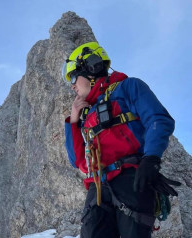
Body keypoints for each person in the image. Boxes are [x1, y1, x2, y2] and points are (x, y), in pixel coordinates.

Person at [62, 42, 181, 238]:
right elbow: (79, 162)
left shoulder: (128, 87)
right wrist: (74, 119)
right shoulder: (86, 116)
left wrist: (151, 159)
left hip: (131, 180)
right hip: (98, 189)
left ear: (92, 68)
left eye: (74, 77)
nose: (72, 85)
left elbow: (158, 119)